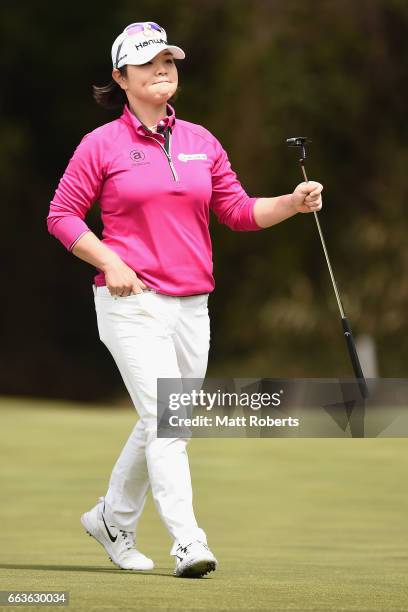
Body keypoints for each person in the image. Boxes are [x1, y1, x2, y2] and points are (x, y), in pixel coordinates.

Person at [46, 21, 323, 579]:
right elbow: (62, 216)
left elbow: (239, 211)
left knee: (162, 421)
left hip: (192, 306)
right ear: (121, 77)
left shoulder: (201, 141)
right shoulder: (101, 144)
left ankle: (111, 519)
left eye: (168, 60)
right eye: (148, 63)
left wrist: (291, 203)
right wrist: (111, 262)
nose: (163, 69)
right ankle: (188, 542)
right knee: (168, 424)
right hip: (132, 302)